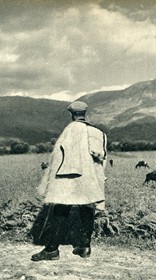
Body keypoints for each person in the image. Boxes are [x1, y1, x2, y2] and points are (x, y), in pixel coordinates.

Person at [31, 100, 107, 261]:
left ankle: (51, 250)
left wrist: (51, 180)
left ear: (71, 114)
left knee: (60, 208)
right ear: (86, 114)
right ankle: (85, 247)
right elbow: (102, 158)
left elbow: (58, 156)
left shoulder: (70, 130)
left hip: (68, 176)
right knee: (87, 208)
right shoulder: (97, 132)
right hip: (90, 178)